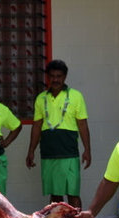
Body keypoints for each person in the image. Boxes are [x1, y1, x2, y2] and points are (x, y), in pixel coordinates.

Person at [26, 59, 91, 208]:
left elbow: (83, 124)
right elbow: (36, 126)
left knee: (73, 194)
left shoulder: (76, 96)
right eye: (52, 76)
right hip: (49, 152)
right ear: (48, 77)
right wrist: (31, 151)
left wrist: (87, 150)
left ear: (65, 77)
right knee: (55, 196)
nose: (55, 79)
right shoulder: (41, 98)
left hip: (69, 152)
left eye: (59, 76)